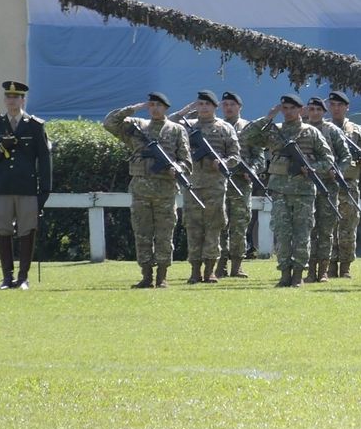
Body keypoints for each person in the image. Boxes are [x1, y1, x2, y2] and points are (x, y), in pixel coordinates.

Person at [240, 94, 335, 288]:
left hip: (304, 191)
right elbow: (246, 136)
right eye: (285, 108)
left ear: (301, 110)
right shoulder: (274, 131)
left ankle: (298, 275)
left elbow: (328, 160)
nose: (288, 112)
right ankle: (284, 274)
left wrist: (312, 167)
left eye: (292, 108)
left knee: (302, 233)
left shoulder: (311, 133)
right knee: (282, 233)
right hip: (280, 190)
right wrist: (268, 117)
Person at [104, 93, 192, 288]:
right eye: (151, 105)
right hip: (141, 190)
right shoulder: (137, 126)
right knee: (142, 233)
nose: (154, 109)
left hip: (166, 190)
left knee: (164, 234)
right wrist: (134, 108)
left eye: (158, 105)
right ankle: (146, 276)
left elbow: (186, 161)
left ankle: (162, 276)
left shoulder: (176, 130)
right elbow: (109, 122)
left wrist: (177, 168)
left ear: (166, 108)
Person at [0, 80, 51, 290]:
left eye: (16, 97)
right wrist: (1, 147)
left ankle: (23, 278)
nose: (12, 101)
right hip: (3, 187)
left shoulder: (35, 125)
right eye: (8, 97)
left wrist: (45, 191)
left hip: (27, 187)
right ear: (4, 99)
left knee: (27, 230)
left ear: (23, 100)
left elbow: (44, 160)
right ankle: (7, 278)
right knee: (3, 230)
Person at [170, 90, 242, 285]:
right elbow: (170, 122)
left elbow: (236, 156)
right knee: (193, 228)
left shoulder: (225, 128)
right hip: (193, 185)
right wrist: (187, 109)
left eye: (207, 104)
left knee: (213, 228)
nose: (203, 108)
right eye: (200, 104)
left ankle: (210, 270)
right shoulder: (187, 127)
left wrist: (224, 163)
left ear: (214, 107)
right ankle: (195, 271)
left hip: (215, 186)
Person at [303, 96, 349, 283]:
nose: (314, 113)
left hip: (327, 186)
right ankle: (309, 270)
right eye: (311, 109)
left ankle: (323, 270)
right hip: (305, 186)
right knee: (308, 229)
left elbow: (345, 156)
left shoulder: (332, 131)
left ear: (324, 112)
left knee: (325, 229)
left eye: (318, 110)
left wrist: (336, 171)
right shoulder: (302, 130)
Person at [327, 91, 361, 279]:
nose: (336, 108)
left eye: (340, 105)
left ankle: (345, 267)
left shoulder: (355, 130)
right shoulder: (323, 128)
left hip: (349, 183)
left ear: (347, 107)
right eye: (333, 105)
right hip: (327, 182)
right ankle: (328, 266)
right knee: (327, 225)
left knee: (348, 226)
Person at [217, 91, 261, 279]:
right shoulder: (216, 127)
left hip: (241, 183)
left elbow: (259, 156)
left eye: (232, 104)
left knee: (239, 226)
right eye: (225, 104)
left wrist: (252, 170)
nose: (228, 108)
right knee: (219, 225)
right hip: (218, 183)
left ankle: (237, 266)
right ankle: (219, 266)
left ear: (239, 107)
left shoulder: (249, 129)